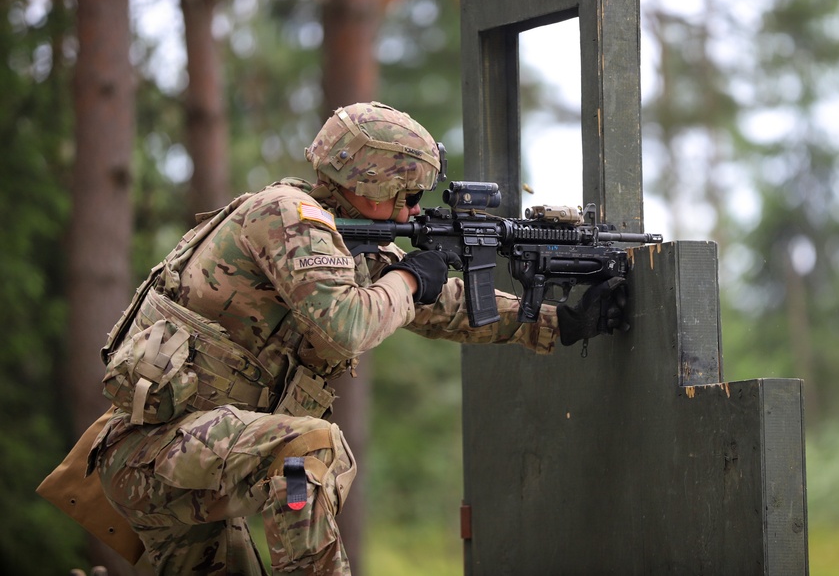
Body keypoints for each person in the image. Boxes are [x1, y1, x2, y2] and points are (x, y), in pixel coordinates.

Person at [76, 102, 624, 575]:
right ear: (369, 181)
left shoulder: (337, 232)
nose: (412, 209)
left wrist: (560, 324)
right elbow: (348, 325)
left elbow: (445, 305)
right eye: (404, 193)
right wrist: (410, 276)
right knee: (307, 453)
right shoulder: (288, 217)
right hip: (160, 453)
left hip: (187, 455)